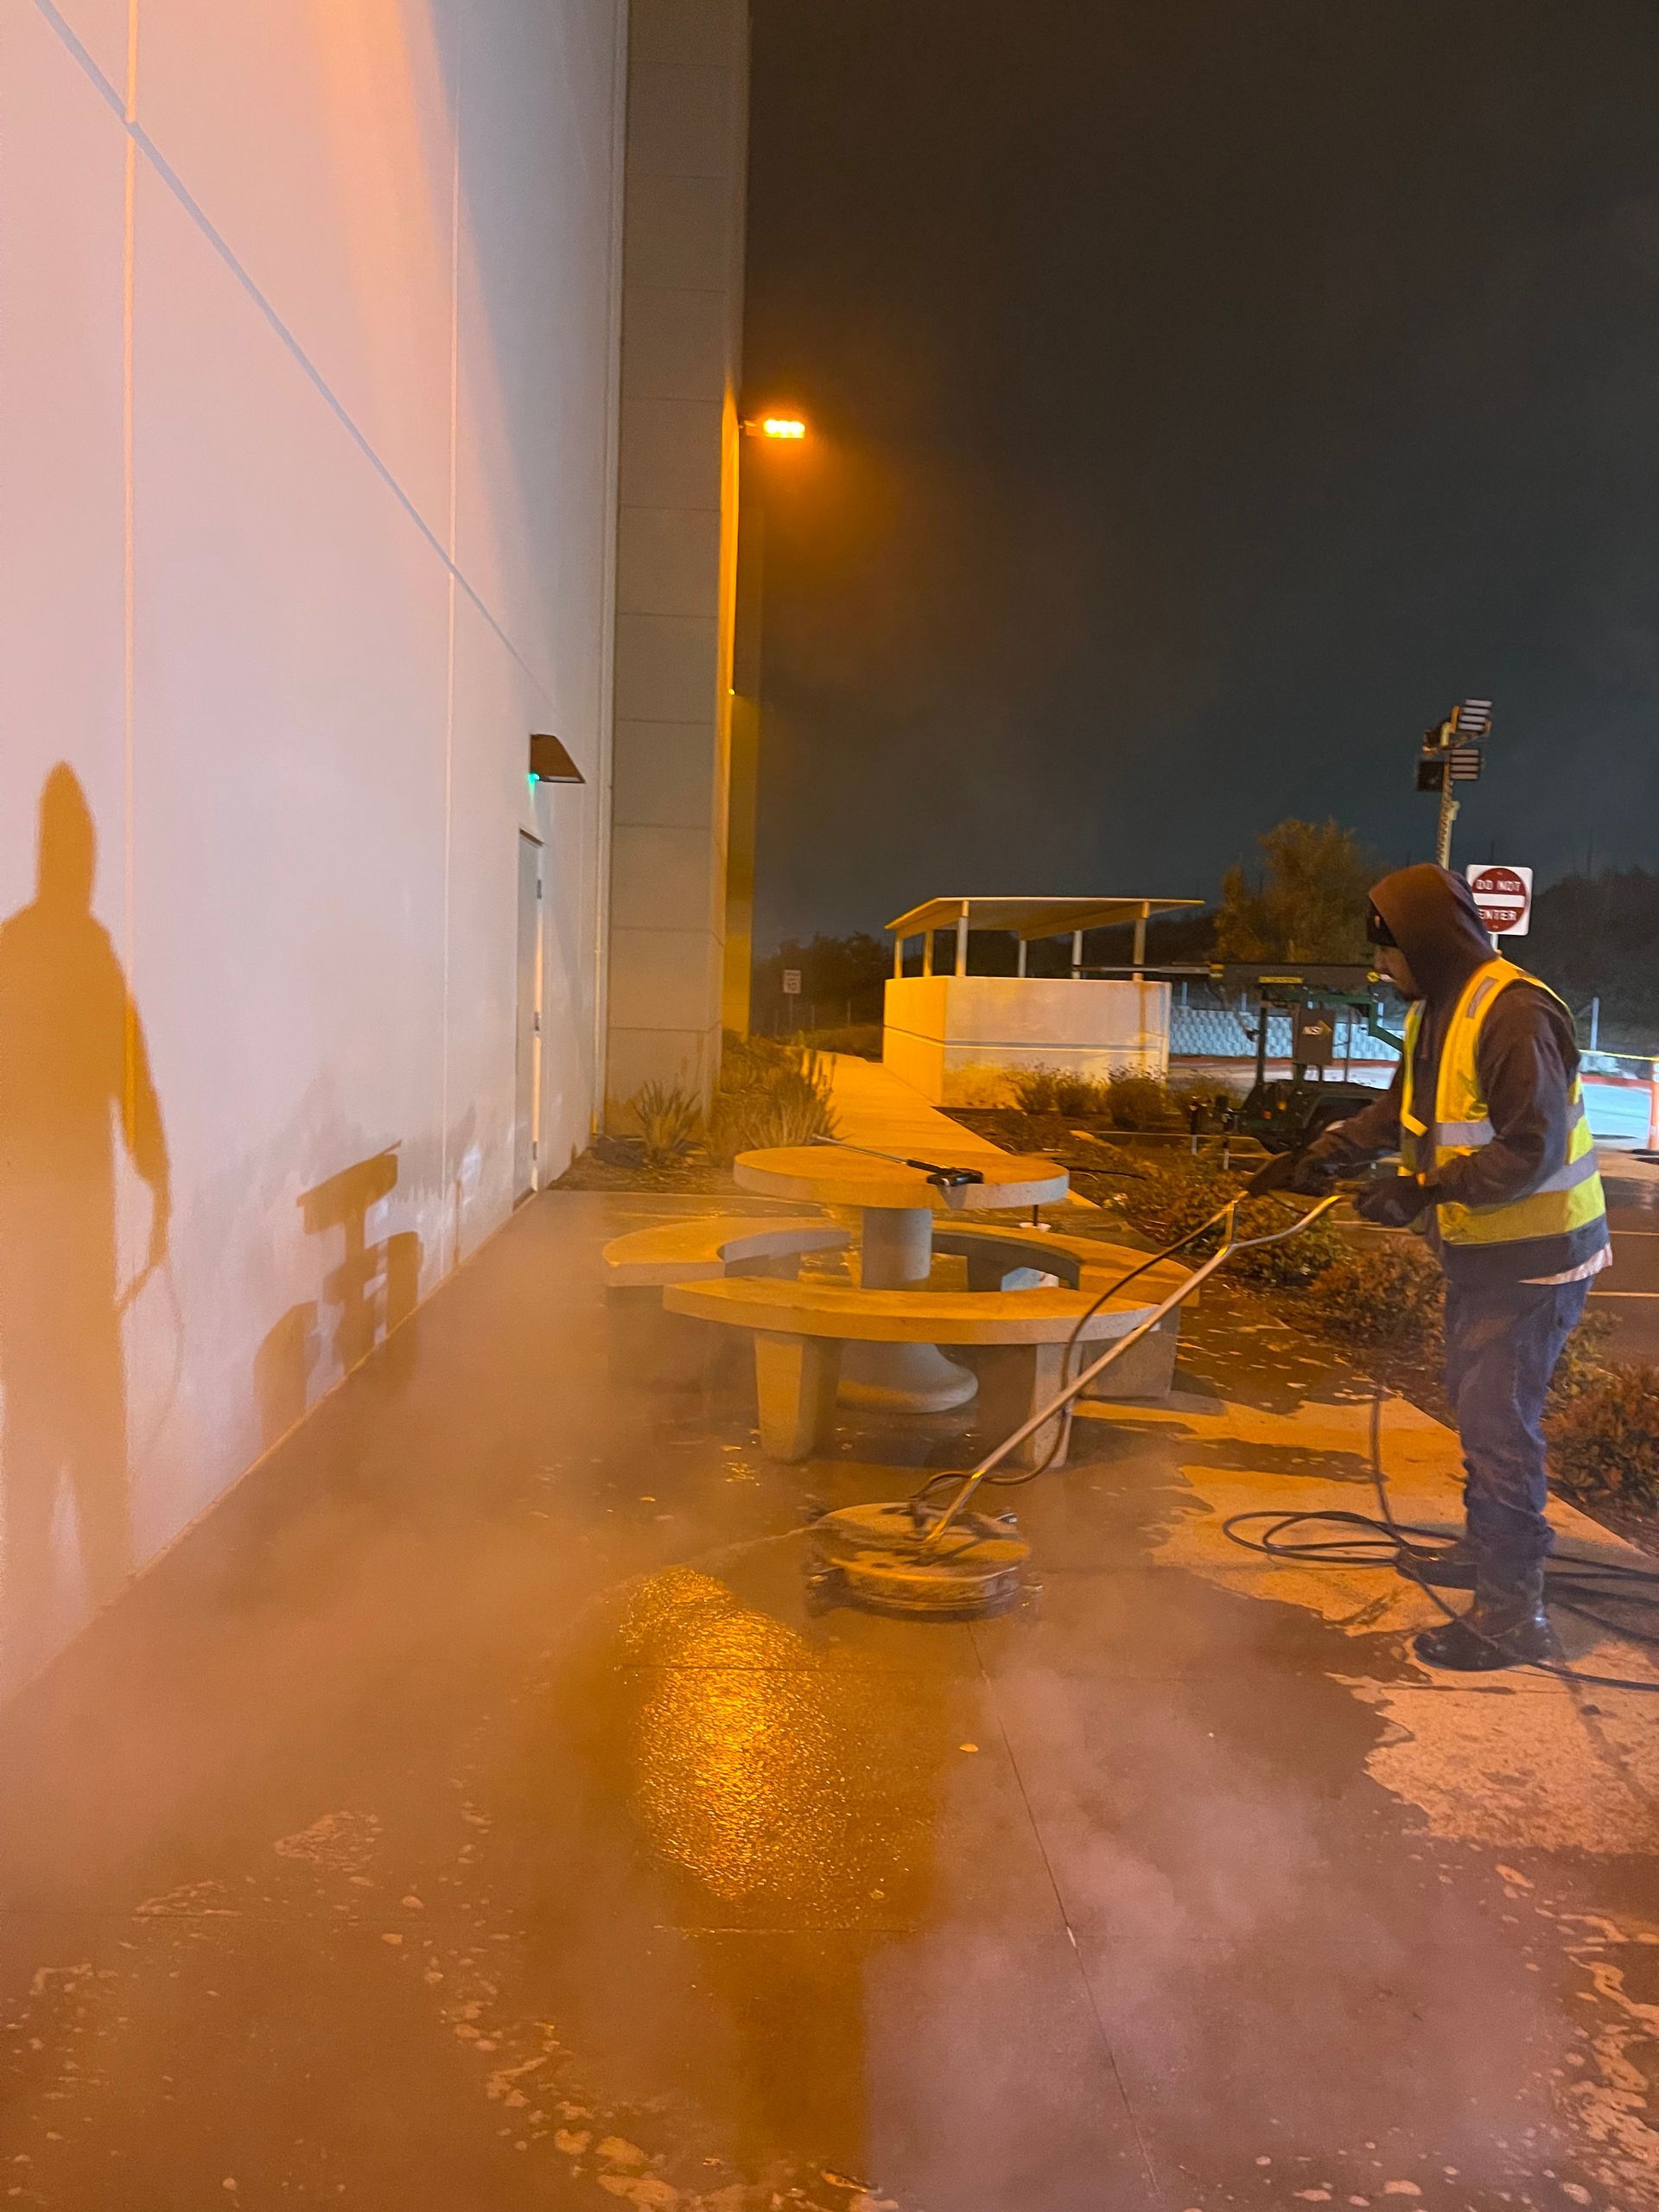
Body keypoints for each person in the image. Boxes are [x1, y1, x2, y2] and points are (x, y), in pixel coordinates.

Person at [1255, 863, 1610, 1672]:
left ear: (1425, 944)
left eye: (1388, 953)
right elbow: (1403, 1111)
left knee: (1498, 1425)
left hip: (1536, 1259)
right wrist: (1329, 1153)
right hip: (1484, 1254)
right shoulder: (1435, 1011)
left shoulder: (1513, 1013)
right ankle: (1486, 1553)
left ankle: (1514, 1612)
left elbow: (1531, 1149)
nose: (1380, 967)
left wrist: (1419, 1190)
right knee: (1473, 1404)